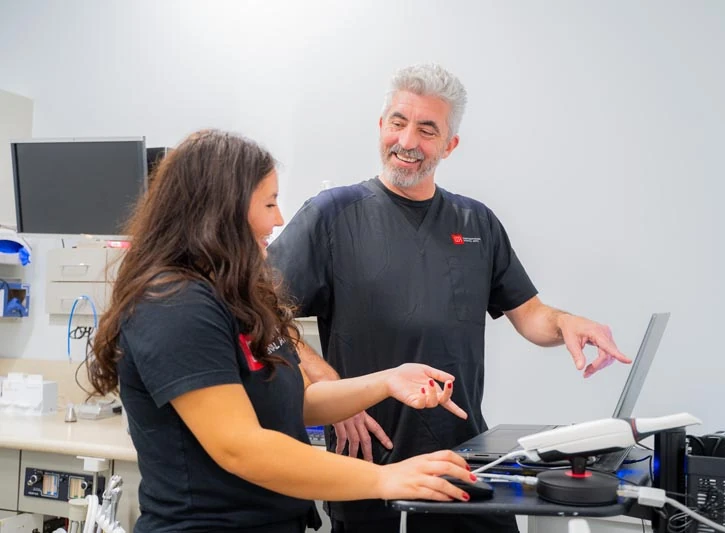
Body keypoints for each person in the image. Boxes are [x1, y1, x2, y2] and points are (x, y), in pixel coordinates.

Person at [266, 63, 633, 533]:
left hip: (463, 460)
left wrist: (565, 323)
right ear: (381, 125)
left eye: (427, 130)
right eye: (398, 122)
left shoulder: (475, 223)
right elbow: (260, 313)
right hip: (372, 462)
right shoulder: (331, 216)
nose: (407, 141)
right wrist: (337, 394)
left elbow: (530, 314)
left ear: (449, 145)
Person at [87, 130, 479, 533]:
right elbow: (240, 447)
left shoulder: (232, 296)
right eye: (269, 203)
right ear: (222, 210)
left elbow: (298, 400)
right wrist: (385, 479)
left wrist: (387, 381)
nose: (278, 219)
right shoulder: (174, 305)